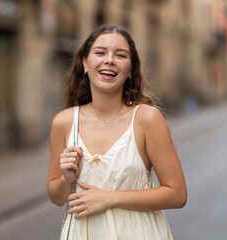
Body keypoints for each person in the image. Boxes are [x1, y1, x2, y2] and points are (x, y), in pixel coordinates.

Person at [47, 24, 187, 239]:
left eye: (120, 55)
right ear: (85, 63)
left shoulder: (147, 118)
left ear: (130, 69)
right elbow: (57, 197)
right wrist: (67, 180)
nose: (109, 60)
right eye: (100, 52)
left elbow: (177, 194)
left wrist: (109, 198)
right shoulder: (64, 122)